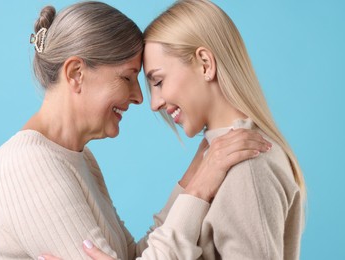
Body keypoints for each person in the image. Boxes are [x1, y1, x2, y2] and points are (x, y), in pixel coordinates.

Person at [0, 1, 271, 260]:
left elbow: (134, 255)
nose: (140, 97)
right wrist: (199, 189)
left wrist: (194, 174)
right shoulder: (29, 167)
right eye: (128, 78)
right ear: (76, 73)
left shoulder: (79, 159)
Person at [43, 0, 306, 259]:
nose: (154, 103)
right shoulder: (217, 158)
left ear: (205, 63)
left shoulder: (246, 165)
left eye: (158, 81)